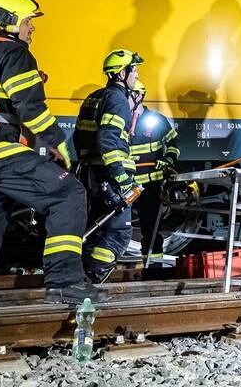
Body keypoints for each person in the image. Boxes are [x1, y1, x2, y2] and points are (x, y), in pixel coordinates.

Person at [0, 0, 99, 308]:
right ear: (9, 21)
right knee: (68, 193)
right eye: (28, 20)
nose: (32, 28)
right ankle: (65, 283)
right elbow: (30, 107)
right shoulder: (12, 51)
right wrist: (58, 141)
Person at [73, 49, 144, 282]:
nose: (136, 75)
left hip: (91, 174)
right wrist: (121, 179)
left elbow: (78, 137)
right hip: (109, 175)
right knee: (118, 233)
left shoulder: (93, 97)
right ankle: (93, 279)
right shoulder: (118, 100)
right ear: (122, 73)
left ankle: (80, 276)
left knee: (96, 228)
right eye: (134, 70)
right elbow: (108, 141)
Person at [127, 80, 179, 265]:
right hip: (126, 184)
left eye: (128, 94)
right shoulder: (121, 119)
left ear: (139, 96)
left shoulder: (155, 121)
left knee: (151, 229)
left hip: (150, 185)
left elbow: (173, 144)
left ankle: (153, 267)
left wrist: (168, 160)